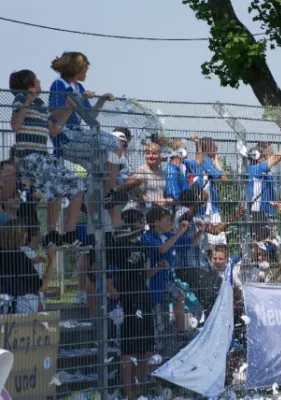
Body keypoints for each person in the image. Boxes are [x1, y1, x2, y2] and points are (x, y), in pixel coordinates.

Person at [9, 69, 87, 248]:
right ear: (29, 85)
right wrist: (27, 100)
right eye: (36, 80)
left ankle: (66, 233)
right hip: (30, 158)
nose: (40, 82)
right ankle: (52, 233)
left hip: (43, 158)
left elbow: (53, 130)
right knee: (59, 188)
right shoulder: (21, 99)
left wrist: (69, 110)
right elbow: (15, 124)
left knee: (77, 186)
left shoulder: (40, 105)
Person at [48, 52, 126, 209]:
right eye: (85, 68)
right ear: (76, 68)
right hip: (67, 139)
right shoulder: (59, 84)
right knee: (116, 142)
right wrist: (80, 98)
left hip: (78, 137)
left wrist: (101, 99)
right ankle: (112, 191)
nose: (87, 71)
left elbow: (89, 116)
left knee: (99, 168)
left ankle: (98, 209)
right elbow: (54, 113)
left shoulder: (79, 87)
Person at [108, 209, 154, 399]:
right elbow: (103, 272)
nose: (141, 223)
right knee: (129, 348)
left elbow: (142, 273)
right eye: (137, 220)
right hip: (126, 301)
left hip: (143, 299)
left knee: (145, 346)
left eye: (142, 220)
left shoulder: (143, 246)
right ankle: (129, 391)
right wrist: (115, 294)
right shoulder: (118, 246)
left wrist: (156, 269)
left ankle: (141, 387)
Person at [141, 207, 198, 357]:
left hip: (166, 283)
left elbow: (190, 243)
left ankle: (180, 332)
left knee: (179, 294)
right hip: (153, 287)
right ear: (156, 222)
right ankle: (156, 357)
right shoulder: (147, 237)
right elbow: (161, 250)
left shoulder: (168, 235)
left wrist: (201, 231)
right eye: (167, 219)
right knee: (158, 325)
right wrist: (179, 232)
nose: (170, 222)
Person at [246, 136, 281, 238]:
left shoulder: (265, 173)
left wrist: (275, 205)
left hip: (268, 216)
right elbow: (276, 158)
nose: (271, 157)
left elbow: (265, 196)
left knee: (270, 248)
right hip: (257, 216)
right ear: (258, 156)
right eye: (269, 155)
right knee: (261, 247)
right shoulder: (254, 170)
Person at [0, 219, 56, 314]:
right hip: (20, 310)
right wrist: (52, 260)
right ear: (19, 236)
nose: (26, 234)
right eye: (25, 231)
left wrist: (30, 262)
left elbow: (11, 266)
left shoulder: (4, 254)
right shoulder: (20, 257)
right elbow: (41, 287)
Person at [184, 137, 228, 245]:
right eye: (213, 146)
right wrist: (217, 160)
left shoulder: (196, 162)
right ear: (207, 148)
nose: (216, 148)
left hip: (199, 209)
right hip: (209, 210)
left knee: (204, 243)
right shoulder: (206, 161)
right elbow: (225, 179)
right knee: (217, 243)